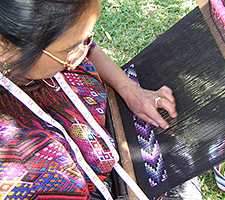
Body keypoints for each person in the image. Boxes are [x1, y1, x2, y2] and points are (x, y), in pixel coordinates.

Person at [0, 0, 178, 199]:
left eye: (86, 39)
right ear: (4, 49)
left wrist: (129, 90)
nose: (82, 54)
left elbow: (87, 46)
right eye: (70, 49)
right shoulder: (22, 161)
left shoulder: (39, 49)